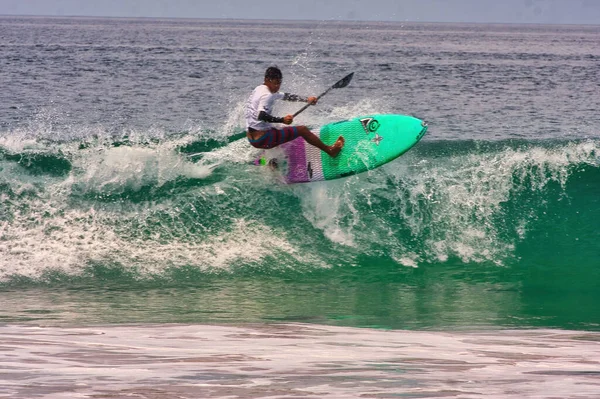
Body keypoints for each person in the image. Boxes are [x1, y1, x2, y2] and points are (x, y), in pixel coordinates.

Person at [245, 66, 345, 157]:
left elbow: (286, 96)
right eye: (275, 83)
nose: (277, 86)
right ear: (266, 80)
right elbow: (261, 115)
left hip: (252, 139)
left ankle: (272, 162)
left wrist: (307, 99)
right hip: (264, 139)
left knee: (279, 129)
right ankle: (330, 150)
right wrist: (282, 120)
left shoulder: (259, 89)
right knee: (302, 130)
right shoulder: (267, 95)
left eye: (279, 83)